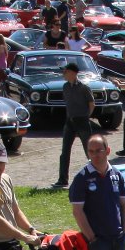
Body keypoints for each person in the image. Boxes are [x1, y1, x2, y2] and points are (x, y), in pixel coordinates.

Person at [69, 135, 125, 250]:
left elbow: (123, 204)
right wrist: (92, 239)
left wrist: (124, 231)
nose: (95, 155)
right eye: (91, 151)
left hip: (117, 238)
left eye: (98, 151)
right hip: (98, 241)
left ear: (107, 151)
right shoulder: (82, 178)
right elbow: (77, 211)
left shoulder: (116, 175)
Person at [52, 60, 95, 190]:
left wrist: (86, 116)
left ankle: (97, 176)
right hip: (70, 121)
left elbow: (91, 104)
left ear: (72, 73)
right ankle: (62, 179)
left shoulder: (84, 88)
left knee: (90, 150)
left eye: (65, 71)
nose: (63, 74)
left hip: (82, 121)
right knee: (65, 151)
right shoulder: (65, 87)